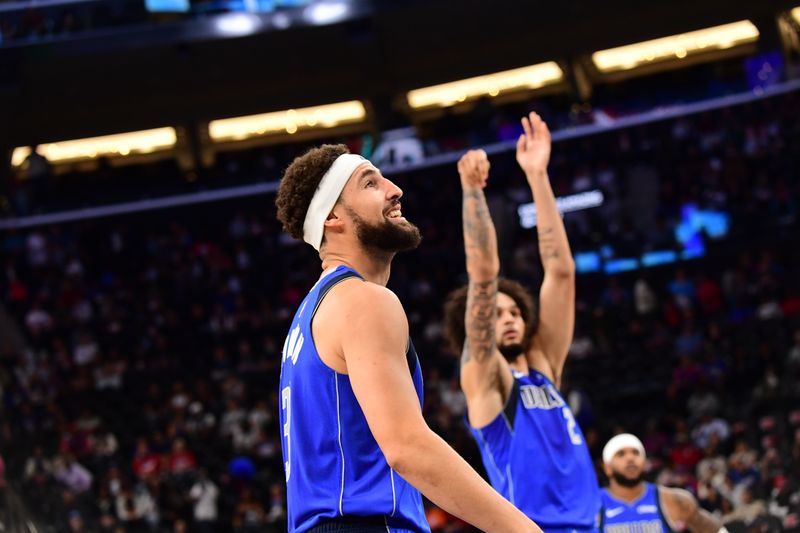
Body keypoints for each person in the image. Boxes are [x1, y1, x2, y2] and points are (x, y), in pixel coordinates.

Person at [275, 144, 542, 533]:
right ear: (333, 216)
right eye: (370, 183)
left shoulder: (310, 315)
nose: (395, 188)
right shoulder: (362, 300)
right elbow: (407, 447)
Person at [442, 112, 600, 532]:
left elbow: (561, 271)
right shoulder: (486, 378)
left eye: (514, 312)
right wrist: (473, 194)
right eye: (496, 314)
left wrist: (538, 176)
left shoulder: (545, 366)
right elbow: (482, 275)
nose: (509, 318)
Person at [600, 433, 727, 533]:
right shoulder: (591, 504)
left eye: (635, 452)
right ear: (607, 467)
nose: (630, 458)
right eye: (621, 454)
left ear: (645, 463)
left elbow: (717, 531)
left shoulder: (673, 500)